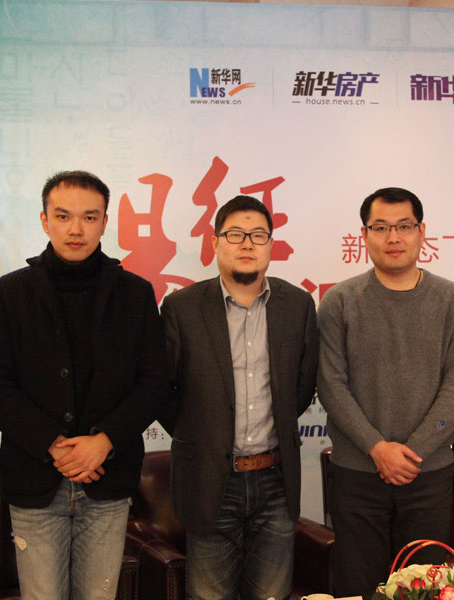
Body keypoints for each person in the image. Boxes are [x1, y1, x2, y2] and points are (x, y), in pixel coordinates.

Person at [0, 170, 168, 600]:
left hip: (108, 478)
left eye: (89, 217)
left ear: (104, 222)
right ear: (45, 220)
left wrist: (104, 441)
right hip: (34, 478)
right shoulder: (10, 293)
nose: (76, 229)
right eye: (63, 216)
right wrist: (54, 444)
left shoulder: (135, 293)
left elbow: (155, 382)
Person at [317, 187, 454, 597]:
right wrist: (377, 448)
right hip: (357, 473)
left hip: (429, 472)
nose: (393, 237)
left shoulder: (452, 299)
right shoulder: (339, 301)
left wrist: (413, 452)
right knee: (359, 586)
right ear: (364, 235)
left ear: (421, 232)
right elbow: (331, 384)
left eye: (404, 226)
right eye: (381, 227)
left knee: (425, 588)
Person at [159, 195, 318, 600]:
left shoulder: (298, 304)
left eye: (258, 235)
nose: (247, 243)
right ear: (215, 243)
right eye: (235, 234)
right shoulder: (182, 308)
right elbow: (163, 391)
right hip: (210, 478)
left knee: (272, 594)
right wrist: (203, 436)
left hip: (275, 479)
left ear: (270, 245)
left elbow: (302, 386)